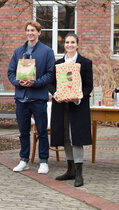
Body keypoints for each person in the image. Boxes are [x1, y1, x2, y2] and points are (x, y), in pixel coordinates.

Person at [8, 21, 55, 174]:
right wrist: (18, 82)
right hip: (21, 98)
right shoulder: (18, 52)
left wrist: (35, 83)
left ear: (39, 32)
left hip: (38, 97)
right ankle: (23, 160)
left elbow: (50, 74)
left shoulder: (47, 51)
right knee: (23, 132)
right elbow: (10, 72)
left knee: (41, 131)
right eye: (28, 30)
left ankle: (43, 161)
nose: (30, 33)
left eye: (33, 30)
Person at [48, 33, 93, 187]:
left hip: (78, 106)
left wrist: (79, 96)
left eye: (73, 42)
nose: (69, 45)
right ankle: (70, 171)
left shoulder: (85, 63)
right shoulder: (58, 64)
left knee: (76, 138)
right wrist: (56, 94)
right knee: (66, 137)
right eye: (67, 42)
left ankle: (79, 174)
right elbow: (50, 83)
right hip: (61, 106)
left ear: (77, 44)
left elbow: (88, 86)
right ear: (64, 45)